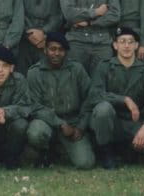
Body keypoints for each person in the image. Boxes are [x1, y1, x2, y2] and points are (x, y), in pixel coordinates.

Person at [89, 27, 144, 169]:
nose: (126, 46)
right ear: (115, 45)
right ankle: (106, 152)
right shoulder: (104, 67)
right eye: (122, 42)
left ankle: (128, 151)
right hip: (111, 121)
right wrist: (124, 100)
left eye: (130, 42)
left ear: (136, 45)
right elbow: (95, 95)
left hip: (134, 123)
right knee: (103, 109)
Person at [26, 32, 95, 169]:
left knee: (85, 163)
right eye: (52, 49)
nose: (56, 53)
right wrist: (60, 124)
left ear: (66, 52)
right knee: (36, 132)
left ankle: (61, 150)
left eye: (61, 50)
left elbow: (89, 99)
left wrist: (81, 127)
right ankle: (46, 150)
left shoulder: (76, 69)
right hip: (47, 122)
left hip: (73, 122)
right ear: (45, 50)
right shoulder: (34, 72)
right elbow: (34, 106)